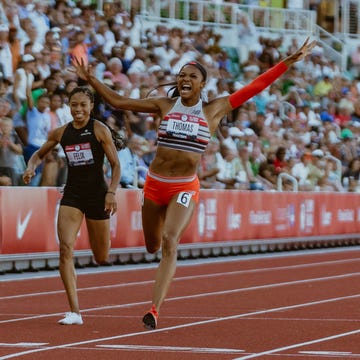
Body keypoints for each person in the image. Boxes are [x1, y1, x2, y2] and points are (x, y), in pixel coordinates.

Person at [72, 37, 316, 330]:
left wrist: (286, 63)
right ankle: (157, 238)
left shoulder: (215, 109)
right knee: (151, 245)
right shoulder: (163, 104)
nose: (185, 79)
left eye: (192, 76)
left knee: (169, 242)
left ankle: (154, 310)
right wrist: (91, 79)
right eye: (182, 75)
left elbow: (255, 87)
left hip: (184, 187)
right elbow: (119, 101)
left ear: (202, 85)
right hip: (154, 185)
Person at [22, 86, 121, 325]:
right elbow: (39, 153)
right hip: (73, 194)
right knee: (65, 249)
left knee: (101, 256)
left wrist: (111, 193)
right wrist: (31, 166)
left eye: (83, 105)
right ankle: (75, 312)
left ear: (91, 107)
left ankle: (102, 245)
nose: (78, 110)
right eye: (74, 105)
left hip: (98, 195)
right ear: (69, 106)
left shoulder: (99, 129)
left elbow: (116, 166)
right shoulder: (61, 133)